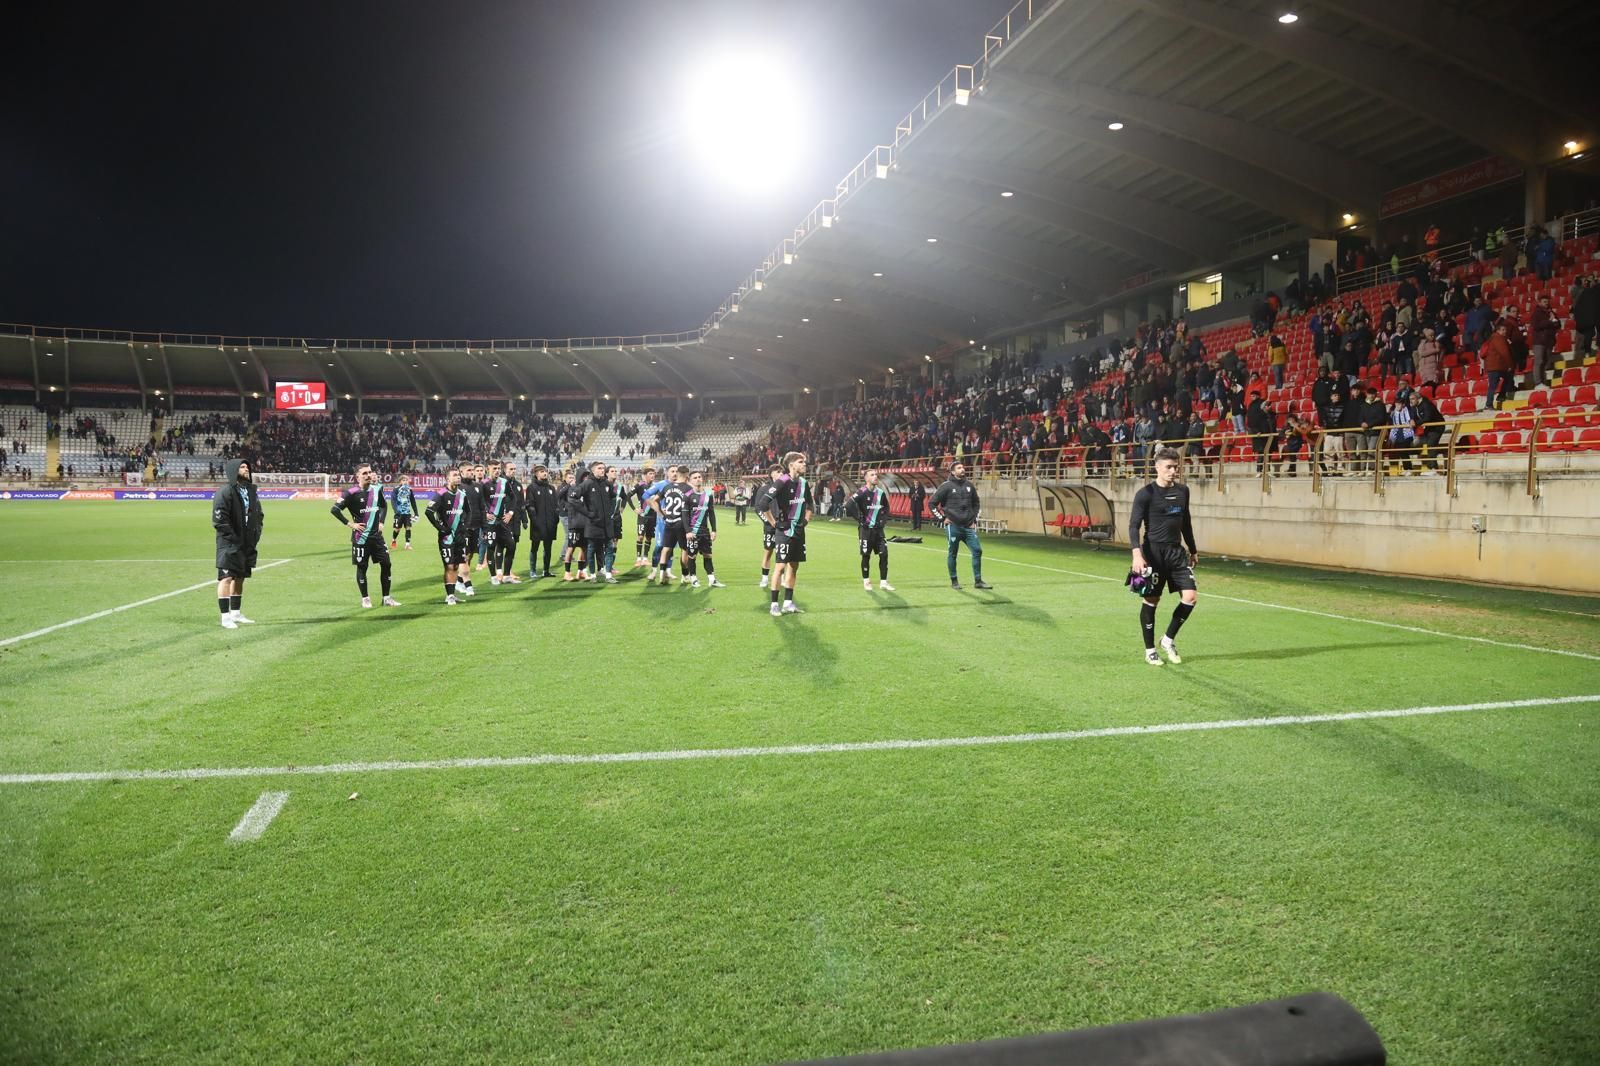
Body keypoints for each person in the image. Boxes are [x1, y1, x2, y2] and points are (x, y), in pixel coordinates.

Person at [1128, 447, 1198, 666]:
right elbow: (1133, 525)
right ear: (1157, 467)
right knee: (1152, 600)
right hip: (1153, 554)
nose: (1173, 471)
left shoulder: (1183, 491)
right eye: (1168, 467)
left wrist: (1193, 549)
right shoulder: (1146, 494)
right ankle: (1150, 650)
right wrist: (1137, 555)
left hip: (1176, 553)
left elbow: (1185, 522)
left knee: (1190, 597)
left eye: (1176, 466)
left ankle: (1167, 640)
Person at [331, 463, 400, 608]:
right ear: (357, 476)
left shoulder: (376, 490)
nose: (368, 475)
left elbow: (383, 505)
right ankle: (365, 598)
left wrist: (381, 521)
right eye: (364, 473)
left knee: (387, 564)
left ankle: (386, 598)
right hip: (360, 538)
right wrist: (351, 524)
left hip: (377, 537)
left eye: (369, 472)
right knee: (362, 567)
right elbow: (335, 510)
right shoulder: (350, 493)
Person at [211, 458, 263, 629]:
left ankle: (236, 613)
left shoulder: (250, 491)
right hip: (229, 543)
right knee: (226, 577)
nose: (246, 469)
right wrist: (234, 538)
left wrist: (256, 534)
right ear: (234, 470)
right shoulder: (225, 491)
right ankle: (225, 617)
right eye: (242, 467)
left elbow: (259, 515)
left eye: (247, 467)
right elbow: (220, 519)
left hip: (247, 542)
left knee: (240, 577)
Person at [761, 451, 811, 615]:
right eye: (800, 461)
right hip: (784, 530)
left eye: (804, 462)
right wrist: (773, 522)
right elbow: (763, 503)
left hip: (798, 531)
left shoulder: (804, 483)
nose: (804, 464)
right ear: (791, 465)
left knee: (794, 566)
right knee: (780, 566)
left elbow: (811, 505)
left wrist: (806, 520)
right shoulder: (782, 482)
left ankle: (788, 603)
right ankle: (774, 604)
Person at [929, 461, 991, 591]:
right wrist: (942, 518)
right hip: (953, 526)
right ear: (952, 472)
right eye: (959, 468)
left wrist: (973, 519)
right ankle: (954, 580)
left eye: (963, 467)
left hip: (968, 526)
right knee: (953, 553)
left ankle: (978, 581)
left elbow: (976, 503)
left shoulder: (969, 485)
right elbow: (932, 503)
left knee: (977, 550)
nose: (962, 469)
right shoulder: (946, 486)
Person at [425, 466, 470, 604]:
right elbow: (428, 511)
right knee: (449, 566)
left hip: (459, 536)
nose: (458, 477)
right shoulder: (441, 494)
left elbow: (468, 511)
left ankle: (452, 594)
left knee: (456, 565)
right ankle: (449, 595)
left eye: (458, 475)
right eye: (455, 475)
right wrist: (441, 528)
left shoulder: (462, 494)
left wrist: (465, 526)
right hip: (446, 537)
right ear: (448, 478)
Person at [847, 469, 893, 591]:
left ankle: (883, 582)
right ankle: (866, 581)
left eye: (876, 475)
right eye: (872, 475)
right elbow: (848, 505)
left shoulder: (881, 493)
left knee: (884, 555)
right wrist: (859, 519)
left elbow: (886, 508)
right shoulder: (861, 492)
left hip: (878, 531)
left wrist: (883, 521)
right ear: (866, 478)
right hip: (866, 531)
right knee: (866, 555)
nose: (875, 477)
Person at [683, 470, 725, 588]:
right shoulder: (687, 496)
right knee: (692, 556)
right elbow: (685, 515)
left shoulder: (708, 495)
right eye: (695, 477)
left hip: (705, 531)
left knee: (708, 555)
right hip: (693, 531)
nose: (698, 479)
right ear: (690, 481)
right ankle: (693, 578)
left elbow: (711, 513)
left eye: (699, 477)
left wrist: (714, 530)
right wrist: (688, 531)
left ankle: (712, 580)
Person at [653, 467, 693, 585]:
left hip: (669, 522)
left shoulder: (667, 487)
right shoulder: (688, 488)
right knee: (684, 549)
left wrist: (663, 514)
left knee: (666, 548)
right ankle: (685, 576)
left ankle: (662, 575)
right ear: (686, 475)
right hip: (682, 523)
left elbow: (655, 499)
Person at [492, 460, 525, 584]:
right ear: (504, 470)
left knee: (512, 546)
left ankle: (508, 572)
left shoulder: (518, 485)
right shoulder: (499, 483)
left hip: (515, 520)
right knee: (500, 546)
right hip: (503, 520)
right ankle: (499, 572)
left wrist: (524, 519)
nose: (513, 471)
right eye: (511, 469)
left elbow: (521, 503)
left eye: (514, 469)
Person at [524, 464, 558, 579]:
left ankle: (546, 571)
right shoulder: (531, 488)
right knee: (535, 547)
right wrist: (535, 520)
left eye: (546, 471)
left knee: (548, 548)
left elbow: (556, 506)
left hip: (550, 524)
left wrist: (555, 519)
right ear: (536, 474)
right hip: (537, 524)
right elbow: (530, 506)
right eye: (542, 471)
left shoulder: (551, 488)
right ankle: (532, 571)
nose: (545, 473)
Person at [751, 465, 782, 588]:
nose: (781, 474)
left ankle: (782, 577)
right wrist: (768, 522)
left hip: (783, 526)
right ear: (771, 474)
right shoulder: (764, 489)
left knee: (782, 553)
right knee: (768, 552)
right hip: (770, 527)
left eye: (782, 472)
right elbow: (758, 508)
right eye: (778, 472)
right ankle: (764, 578)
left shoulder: (784, 488)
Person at [1481, 321, 1514, 411]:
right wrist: (1510, 364)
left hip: (1495, 366)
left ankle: (1500, 397)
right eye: (1503, 330)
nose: (1505, 332)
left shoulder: (1493, 338)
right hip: (1496, 366)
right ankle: (1489, 404)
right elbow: (1504, 352)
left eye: (1505, 330)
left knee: (1504, 379)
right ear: (1498, 331)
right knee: (1493, 385)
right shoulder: (1498, 338)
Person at [633, 466, 657, 565]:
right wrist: (635, 509)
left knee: (649, 537)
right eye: (650, 474)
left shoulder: (656, 487)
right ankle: (638, 559)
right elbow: (628, 496)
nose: (652, 475)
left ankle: (645, 558)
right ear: (645, 475)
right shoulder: (639, 486)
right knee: (640, 537)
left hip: (653, 516)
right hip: (643, 515)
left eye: (653, 474)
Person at [390, 473, 417, 551]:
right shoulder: (396, 489)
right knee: (397, 529)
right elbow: (393, 501)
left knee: (408, 528)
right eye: (403, 480)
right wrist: (396, 510)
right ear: (400, 481)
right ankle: (393, 540)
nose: (405, 481)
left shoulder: (409, 490)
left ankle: (407, 545)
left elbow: (413, 501)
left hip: (407, 513)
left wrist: (416, 512)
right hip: (399, 513)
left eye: (406, 480)